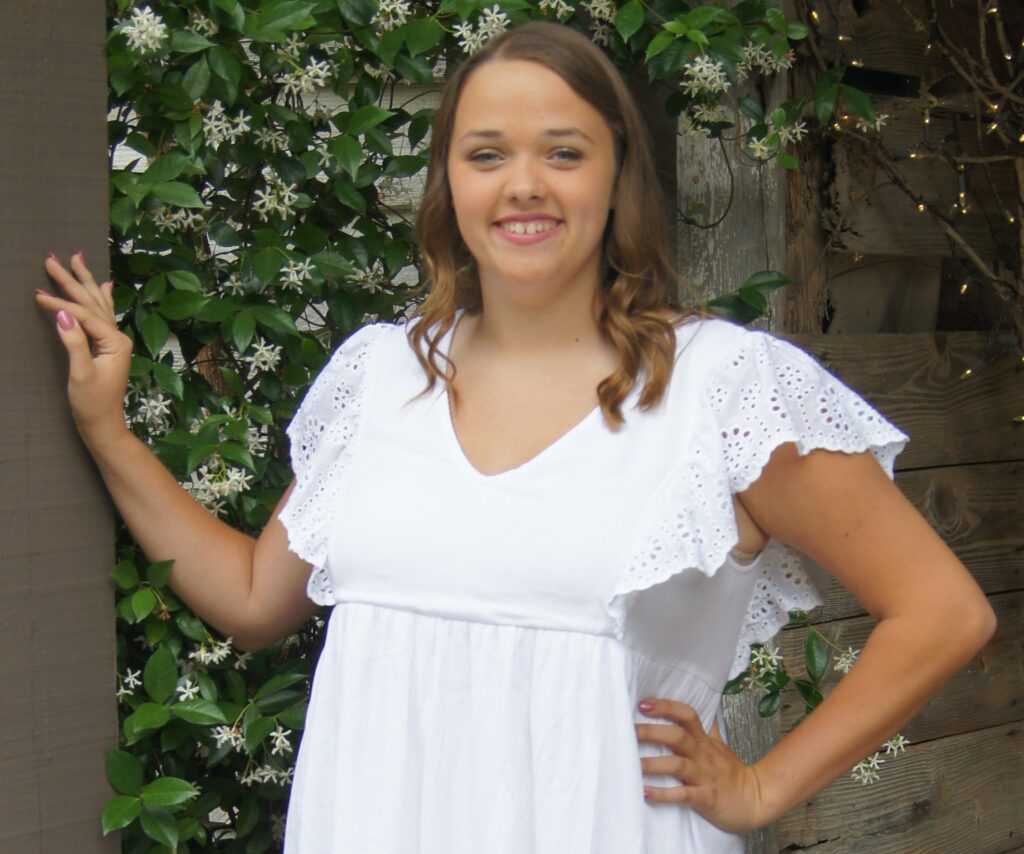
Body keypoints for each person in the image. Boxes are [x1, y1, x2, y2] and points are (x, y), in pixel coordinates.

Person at [36, 20, 995, 854]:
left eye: (564, 153)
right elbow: (253, 598)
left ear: (619, 170)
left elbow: (942, 612)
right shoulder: (382, 375)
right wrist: (106, 429)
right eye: (486, 154)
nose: (523, 186)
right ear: (447, 178)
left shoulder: (722, 387)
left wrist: (761, 788)